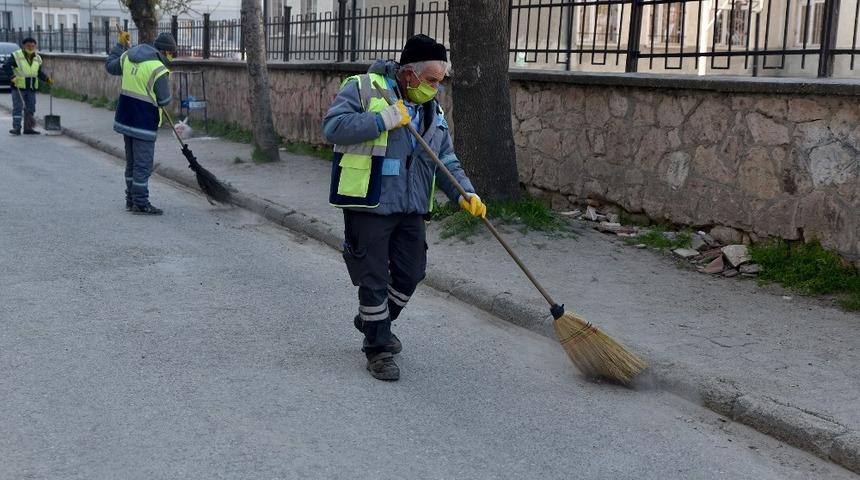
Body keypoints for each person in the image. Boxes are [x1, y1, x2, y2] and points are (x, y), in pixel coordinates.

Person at [323, 34, 487, 381]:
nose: (436, 89)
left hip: (411, 205)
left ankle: (373, 321)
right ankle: (378, 349)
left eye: (439, 82)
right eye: (432, 81)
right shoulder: (364, 88)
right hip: (369, 201)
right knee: (374, 278)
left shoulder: (433, 110)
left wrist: (465, 194)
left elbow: (445, 159)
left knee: (411, 273)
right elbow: (333, 128)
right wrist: (382, 119)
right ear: (409, 74)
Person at [104, 32, 177, 215]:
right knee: (143, 166)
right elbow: (164, 100)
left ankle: (131, 200)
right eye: (172, 54)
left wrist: (119, 46)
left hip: (125, 119)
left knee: (132, 163)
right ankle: (141, 203)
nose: (172, 58)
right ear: (166, 51)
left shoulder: (127, 56)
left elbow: (110, 66)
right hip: (144, 123)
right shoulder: (158, 68)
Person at [3, 37, 52, 135]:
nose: (30, 48)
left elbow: (38, 73)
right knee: (18, 108)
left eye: (33, 46)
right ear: (24, 46)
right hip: (18, 87)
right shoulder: (16, 55)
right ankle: (16, 128)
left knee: (30, 108)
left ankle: (28, 128)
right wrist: (12, 76)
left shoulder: (38, 58)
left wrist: (47, 79)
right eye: (28, 46)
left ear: (35, 46)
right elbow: (6, 66)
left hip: (31, 87)